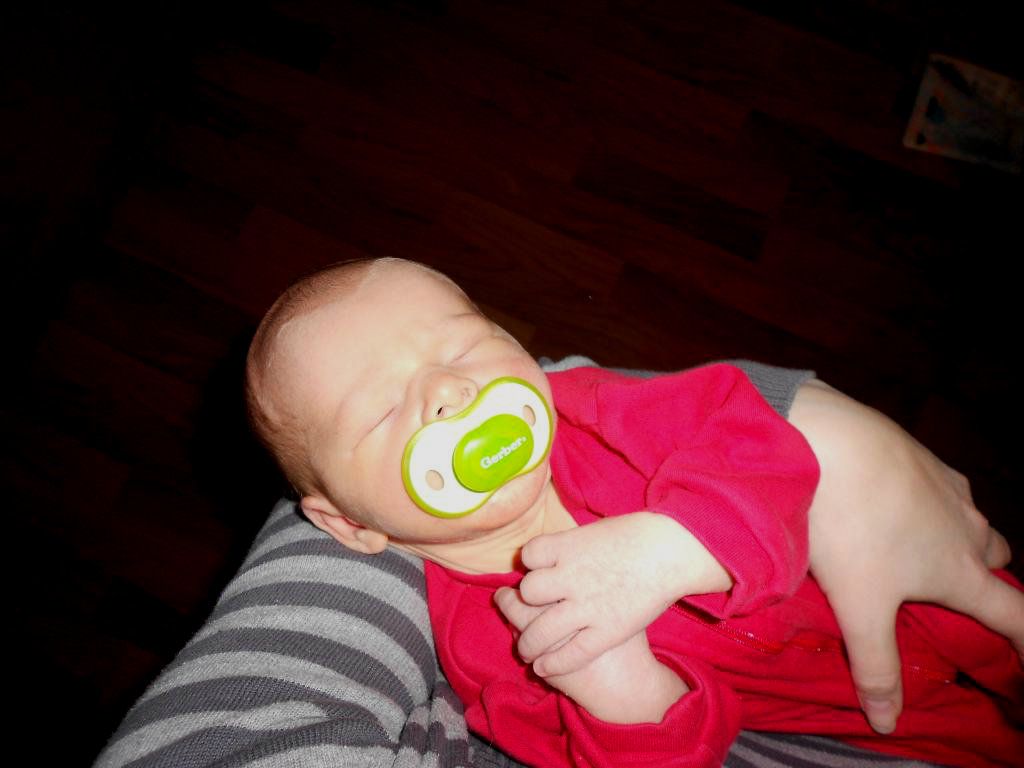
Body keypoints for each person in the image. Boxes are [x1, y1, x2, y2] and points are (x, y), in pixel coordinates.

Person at [243, 257, 1023, 767]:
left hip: (908, 590)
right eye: (383, 409)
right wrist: (626, 699)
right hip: (864, 725)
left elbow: (761, 436)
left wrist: (676, 547)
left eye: (465, 345)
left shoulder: (595, 409)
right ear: (350, 525)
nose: (449, 389)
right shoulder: (489, 651)